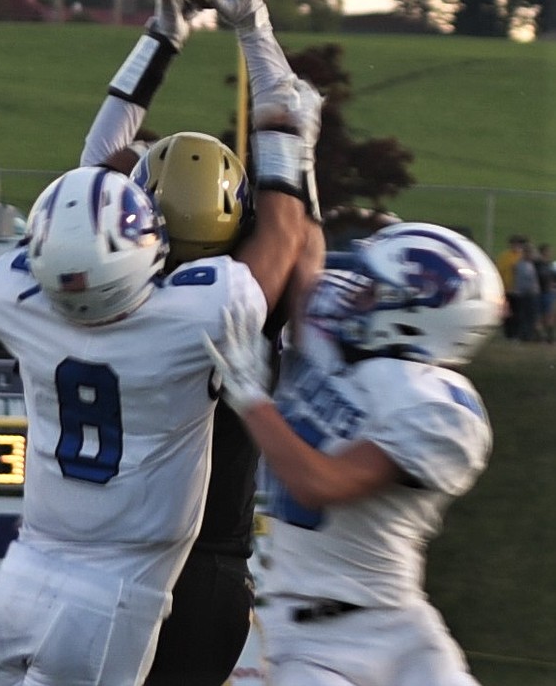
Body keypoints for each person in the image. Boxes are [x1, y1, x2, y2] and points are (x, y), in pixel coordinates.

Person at [0, 0, 322, 686]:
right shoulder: (206, 311)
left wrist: (160, 37)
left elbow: (89, 181)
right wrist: (255, 31)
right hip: (152, 590)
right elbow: (290, 223)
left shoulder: (21, 297)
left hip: (27, 573)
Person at [202, 222, 505, 685]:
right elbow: (301, 240)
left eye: (373, 289)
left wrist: (252, 400)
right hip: (291, 634)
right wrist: (289, 157)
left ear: (413, 316)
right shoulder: (333, 338)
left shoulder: (437, 406)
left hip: (394, 627)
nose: (353, 294)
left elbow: (319, 484)